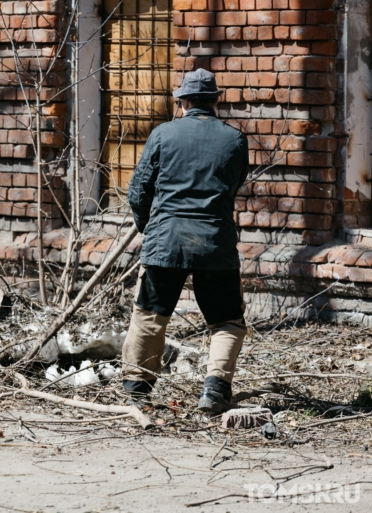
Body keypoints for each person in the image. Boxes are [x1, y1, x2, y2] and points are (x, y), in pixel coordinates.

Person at [121, 68, 249, 413]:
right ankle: (214, 390)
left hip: (166, 240)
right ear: (215, 102)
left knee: (150, 314)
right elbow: (235, 184)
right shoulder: (235, 139)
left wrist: (151, 227)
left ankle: (137, 391)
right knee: (226, 320)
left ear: (183, 102)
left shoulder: (163, 134)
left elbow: (138, 191)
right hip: (216, 245)